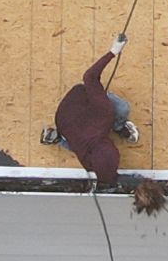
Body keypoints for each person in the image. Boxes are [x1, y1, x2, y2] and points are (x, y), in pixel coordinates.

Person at [53, 44, 140, 181]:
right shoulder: (87, 159)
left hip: (72, 109)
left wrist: (113, 52)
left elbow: (90, 76)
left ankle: (60, 137)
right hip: (65, 120)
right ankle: (59, 138)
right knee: (122, 108)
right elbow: (88, 77)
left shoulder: (104, 113)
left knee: (75, 142)